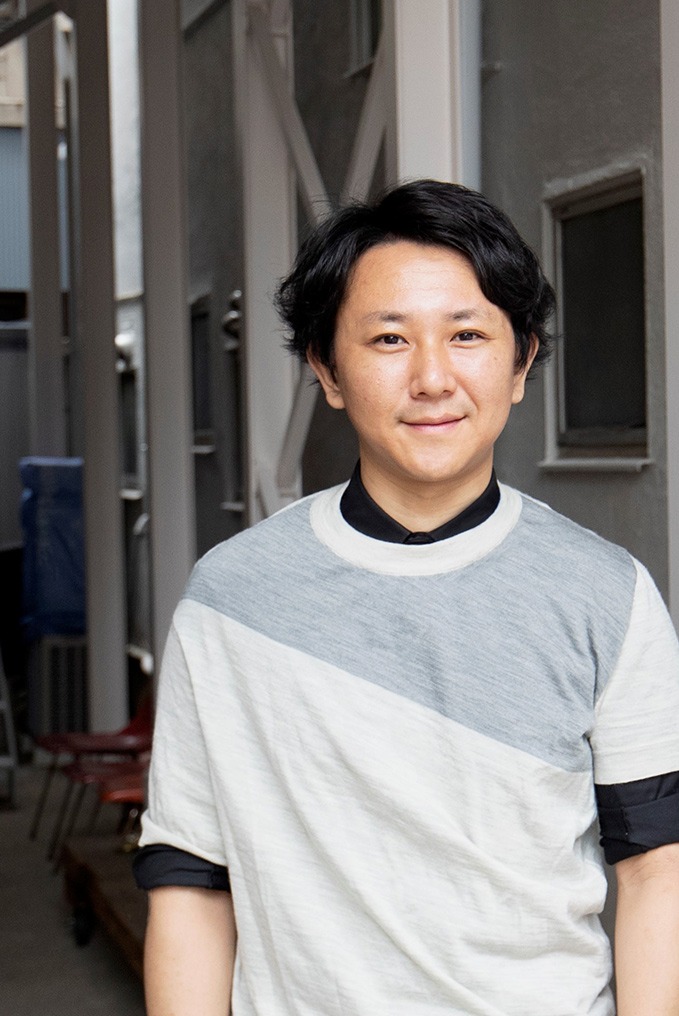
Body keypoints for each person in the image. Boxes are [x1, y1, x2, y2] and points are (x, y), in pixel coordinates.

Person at [134, 179, 679, 1016]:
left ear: (521, 362)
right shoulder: (231, 598)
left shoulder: (606, 594)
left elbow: (654, 872)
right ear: (326, 369)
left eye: (467, 335)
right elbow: (190, 880)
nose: (432, 378)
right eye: (389, 338)